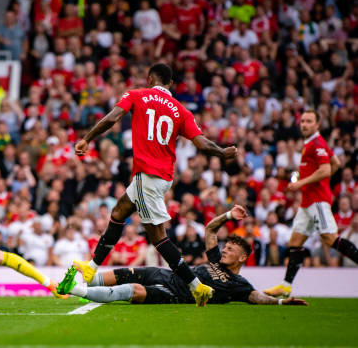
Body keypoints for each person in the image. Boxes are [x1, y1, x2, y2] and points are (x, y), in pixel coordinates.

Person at [68, 63, 237, 306]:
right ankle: (92, 266)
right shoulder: (181, 110)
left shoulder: (136, 94)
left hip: (148, 176)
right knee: (119, 211)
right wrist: (223, 152)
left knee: (158, 237)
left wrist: (86, 139)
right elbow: (201, 144)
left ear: (149, 79)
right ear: (170, 84)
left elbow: (112, 118)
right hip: (160, 176)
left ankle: (197, 287)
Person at [58, 205, 307, 306]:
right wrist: (229, 216)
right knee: (124, 273)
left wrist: (282, 303)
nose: (225, 250)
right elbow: (210, 229)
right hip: (168, 275)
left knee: (133, 289)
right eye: (226, 246)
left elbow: (256, 297)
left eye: (232, 249)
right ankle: (88, 285)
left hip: (177, 294)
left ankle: (76, 291)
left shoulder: (239, 285)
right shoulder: (214, 259)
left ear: (243, 258)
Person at [264, 110, 358, 297]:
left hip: (318, 201)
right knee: (295, 241)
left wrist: (301, 182)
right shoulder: (312, 143)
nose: (304, 124)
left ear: (317, 124)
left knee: (330, 239)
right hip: (307, 202)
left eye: (309, 121)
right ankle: (286, 285)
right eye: (303, 121)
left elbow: (325, 170)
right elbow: (336, 162)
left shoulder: (317, 144)